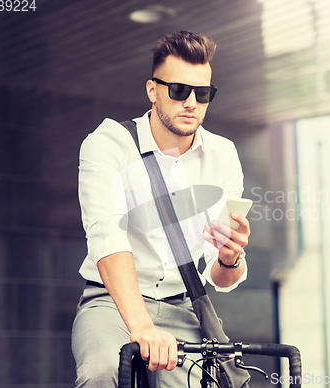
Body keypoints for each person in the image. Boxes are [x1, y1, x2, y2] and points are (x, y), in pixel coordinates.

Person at [71, 31, 250, 388]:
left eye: (203, 94)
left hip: (183, 306)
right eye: (179, 90)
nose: (192, 103)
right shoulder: (108, 144)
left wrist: (231, 258)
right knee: (102, 373)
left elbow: (221, 277)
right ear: (153, 90)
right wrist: (141, 327)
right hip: (111, 303)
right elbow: (107, 239)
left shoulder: (223, 155)